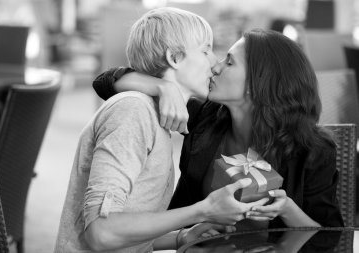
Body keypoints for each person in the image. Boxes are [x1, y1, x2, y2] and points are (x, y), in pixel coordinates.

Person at [55, 8, 270, 253]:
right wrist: (204, 209)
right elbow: (101, 233)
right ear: (175, 58)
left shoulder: (158, 116)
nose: (214, 62)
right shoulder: (133, 112)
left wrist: (181, 236)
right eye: (205, 50)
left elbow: (124, 234)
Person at [93, 28, 344, 229]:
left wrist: (288, 209)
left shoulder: (314, 151)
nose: (215, 67)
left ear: (256, 84)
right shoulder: (205, 117)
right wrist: (163, 88)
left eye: (229, 62)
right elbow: (105, 81)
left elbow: (328, 239)